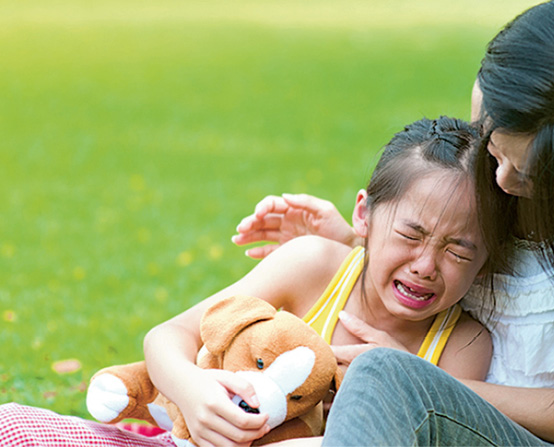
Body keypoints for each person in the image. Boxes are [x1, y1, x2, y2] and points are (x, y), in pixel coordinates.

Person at [232, 0, 554, 445]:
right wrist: (355, 244)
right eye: (493, 146)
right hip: (446, 418)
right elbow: (442, 268)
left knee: (381, 379)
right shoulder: (490, 176)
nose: (503, 180)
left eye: (535, 176)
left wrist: (419, 380)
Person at [0, 117, 494, 447]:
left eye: (459, 250)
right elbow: (168, 336)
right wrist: (193, 393)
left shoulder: (461, 342)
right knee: (15, 428)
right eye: (411, 234)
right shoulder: (316, 266)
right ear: (363, 215)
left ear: (487, 258)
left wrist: (397, 376)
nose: (426, 264)